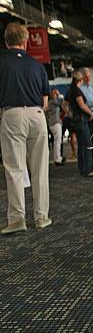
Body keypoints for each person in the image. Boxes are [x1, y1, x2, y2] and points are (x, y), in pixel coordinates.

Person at [0, 22, 52, 234]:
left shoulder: (1, 62)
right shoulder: (37, 65)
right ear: (25, 41)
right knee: (40, 169)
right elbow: (45, 100)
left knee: (14, 168)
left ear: (6, 41)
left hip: (11, 114)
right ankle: (41, 217)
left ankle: (17, 219)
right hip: (37, 114)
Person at [64, 71, 93, 177]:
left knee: (81, 146)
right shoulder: (77, 91)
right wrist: (91, 113)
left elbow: (64, 105)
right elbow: (82, 105)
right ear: (80, 79)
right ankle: (88, 169)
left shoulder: (70, 90)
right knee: (87, 144)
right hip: (82, 120)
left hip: (76, 120)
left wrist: (69, 113)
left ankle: (82, 168)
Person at [46, 88, 65, 166]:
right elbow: (61, 101)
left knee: (56, 141)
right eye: (55, 93)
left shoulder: (49, 103)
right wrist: (59, 94)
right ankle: (57, 159)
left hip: (52, 123)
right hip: (55, 123)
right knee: (57, 141)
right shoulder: (53, 102)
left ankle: (58, 157)